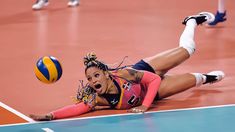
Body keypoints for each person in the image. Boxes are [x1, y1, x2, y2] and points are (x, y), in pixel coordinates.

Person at [30, 12, 225, 121]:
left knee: (187, 50)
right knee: (195, 79)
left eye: (96, 75)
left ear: (107, 74)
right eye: (90, 78)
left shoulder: (124, 73)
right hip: (153, 92)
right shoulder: (97, 97)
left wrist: (144, 106)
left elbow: (154, 79)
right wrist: (51, 115)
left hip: (147, 71)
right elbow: (77, 108)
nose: (93, 81)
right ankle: (208, 78)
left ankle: (191, 21)